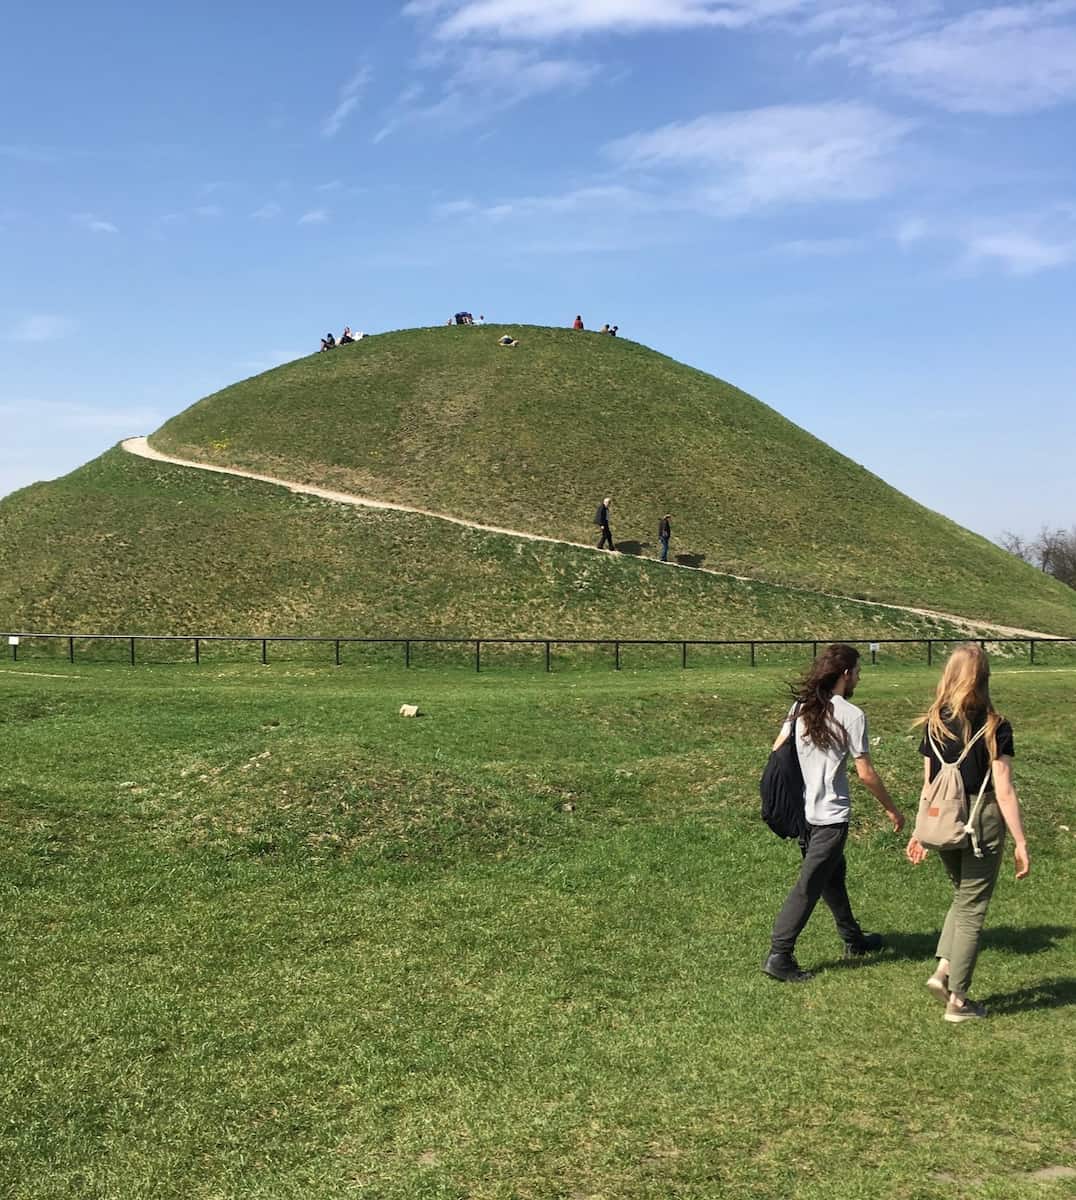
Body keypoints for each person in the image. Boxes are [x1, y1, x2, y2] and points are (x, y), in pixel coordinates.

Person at [763, 643, 905, 983]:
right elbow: (866, 773)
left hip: (804, 814)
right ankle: (779, 955)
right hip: (831, 818)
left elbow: (777, 750)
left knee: (832, 877)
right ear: (845, 674)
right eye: (858, 672)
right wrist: (893, 810)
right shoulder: (852, 715)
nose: (859, 678)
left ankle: (853, 939)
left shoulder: (800, 707)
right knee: (810, 885)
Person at [905, 644, 1030, 1022]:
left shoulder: (935, 722)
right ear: (984, 677)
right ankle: (958, 1000)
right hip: (980, 819)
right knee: (973, 908)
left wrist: (919, 830)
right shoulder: (995, 725)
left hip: (942, 818)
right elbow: (1004, 790)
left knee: (963, 897)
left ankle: (944, 970)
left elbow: (929, 784)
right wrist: (1021, 841)